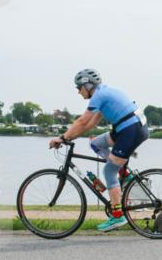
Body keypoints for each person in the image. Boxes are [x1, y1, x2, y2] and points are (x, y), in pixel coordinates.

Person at [49, 69, 149, 232]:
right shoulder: (104, 94)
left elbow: (82, 122)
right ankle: (123, 172)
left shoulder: (99, 96)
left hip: (130, 130)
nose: (78, 91)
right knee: (96, 143)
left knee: (109, 171)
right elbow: (89, 125)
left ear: (88, 85)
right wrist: (69, 137)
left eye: (78, 87)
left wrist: (62, 138)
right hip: (128, 128)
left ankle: (118, 216)